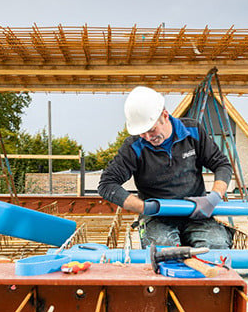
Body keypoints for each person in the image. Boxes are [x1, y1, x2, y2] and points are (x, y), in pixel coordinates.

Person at [98, 86, 234, 249]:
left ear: (164, 115)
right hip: (157, 217)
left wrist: (213, 198)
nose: (148, 137)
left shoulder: (193, 131)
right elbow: (107, 185)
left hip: (196, 213)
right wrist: (145, 207)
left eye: (151, 130)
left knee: (216, 246)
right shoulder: (134, 147)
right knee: (163, 250)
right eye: (142, 133)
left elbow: (222, 164)